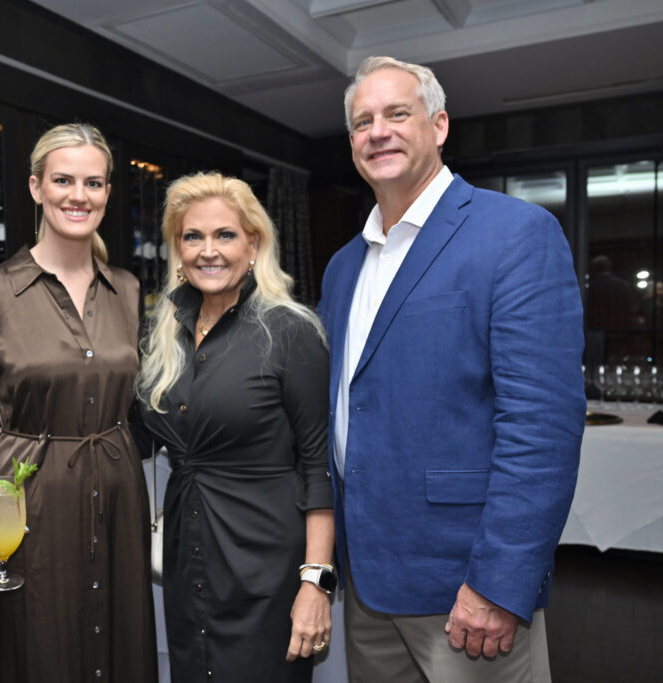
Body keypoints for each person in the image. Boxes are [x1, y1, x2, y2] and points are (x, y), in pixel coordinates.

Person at [317, 56, 585, 681]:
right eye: (362, 121)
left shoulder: (516, 233)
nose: (377, 131)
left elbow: (541, 428)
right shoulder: (342, 267)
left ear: (438, 126)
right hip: (367, 583)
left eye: (397, 114)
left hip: (465, 589)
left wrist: (500, 583)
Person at [0, 123, 156, 683]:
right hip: (26, 501)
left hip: (118, 493)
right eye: (63, 180)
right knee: (36, 647)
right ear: (35, 186)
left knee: (117, 638)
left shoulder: (128, 288)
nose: (79, 195)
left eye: (93, 183)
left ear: (108, 193)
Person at [135, 172, 335, 682]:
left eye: (225, 235)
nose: (208, 251)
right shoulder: (164, 334)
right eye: (192, 236)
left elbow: (317, 469)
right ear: (177, 250)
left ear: (254, 244)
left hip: (266, 571)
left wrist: (315, 584)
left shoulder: (290, 331)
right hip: (188, 562)